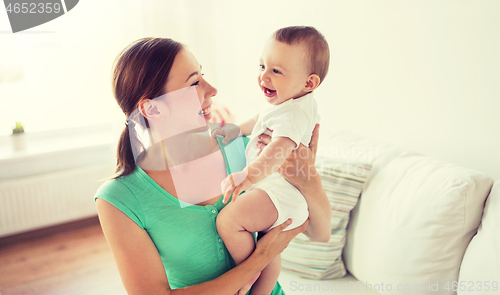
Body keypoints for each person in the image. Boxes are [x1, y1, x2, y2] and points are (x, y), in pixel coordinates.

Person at [94, 37, 331, 295]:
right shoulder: (119, 199)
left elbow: (320, 233)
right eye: (194, 82)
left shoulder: (242, 148)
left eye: (203, 75)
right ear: (152, 109)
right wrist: (260, 259)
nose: (212, 89)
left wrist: (309, 180)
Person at [215, 26, 331, 295]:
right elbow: (260, 119)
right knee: (269, 244)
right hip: (279, 192)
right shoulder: (286, 101)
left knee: (229, 221)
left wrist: (250, 176)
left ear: (309, 83)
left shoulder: (294, 114)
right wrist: (234, 130)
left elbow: (280, 148)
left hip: (281, 192)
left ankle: (248, 274)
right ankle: (260, 288)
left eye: (276, 71)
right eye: (262, 66)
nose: (263, 76)